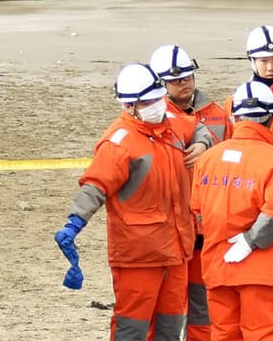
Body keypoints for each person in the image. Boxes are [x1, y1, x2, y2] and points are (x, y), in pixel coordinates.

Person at [55, 63, 200, 341]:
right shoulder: (119, 144)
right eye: (148, 101)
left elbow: (199, 129)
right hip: (139, 257)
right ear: (130, 105)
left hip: (176, 252)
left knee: (170, 328)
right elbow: (95, 186)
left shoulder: (171, 125)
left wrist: (202, 145)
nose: (156, 105)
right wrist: (74, 223)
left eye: (158, 98)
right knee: (132, 329)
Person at [190, 80, 273, 341]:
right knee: (263, 334)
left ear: (236, 116)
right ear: (271, 117)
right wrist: (251, 241)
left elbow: (197, 209)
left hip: (219, 265)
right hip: (264, 269)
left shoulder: (207, 159)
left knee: (224, 334)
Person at [149, 43, 231, 341]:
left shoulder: (218, 115)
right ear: (160, 84)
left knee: (203, 306)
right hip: (167, 228)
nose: (183, 83)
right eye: (175, 80)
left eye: (187, 77)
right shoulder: (153, 117)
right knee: (164, 306)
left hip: (204, 227)